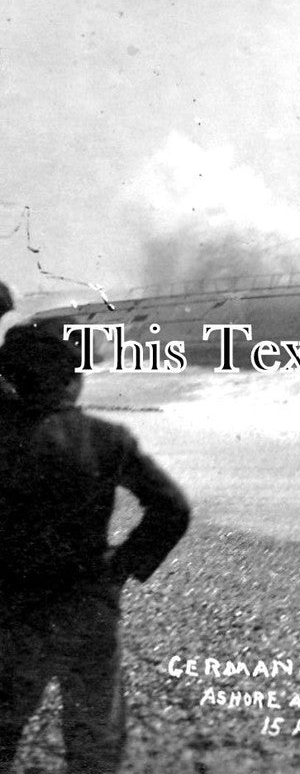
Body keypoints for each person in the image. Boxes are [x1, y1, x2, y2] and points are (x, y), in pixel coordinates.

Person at [0, 324, 190, 773]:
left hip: (12, 607)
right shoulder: (107, 438)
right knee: (94, 736)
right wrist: (123, 566)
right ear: (73, 382)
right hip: (87, 601)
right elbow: (173, 508)